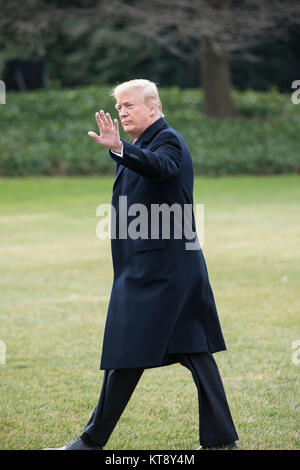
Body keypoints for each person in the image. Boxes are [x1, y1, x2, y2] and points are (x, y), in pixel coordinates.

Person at [45, 79, 238, 450]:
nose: (121, 112)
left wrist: (118, 148)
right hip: (155, 270)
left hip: (163, 274)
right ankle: (220, 441)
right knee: (191, 351)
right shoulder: (139, 145)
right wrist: (122, 149)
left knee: (129, 350)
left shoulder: (167, 140)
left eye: (128, 105)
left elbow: (161, 168)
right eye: (118, 107)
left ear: (154, 107)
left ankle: (89, 442)